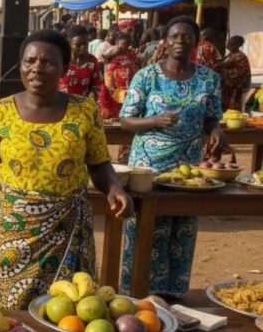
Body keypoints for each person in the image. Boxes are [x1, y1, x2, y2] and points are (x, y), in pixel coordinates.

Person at [0, 29, 131, 309]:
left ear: (64, 69)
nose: (37, 69)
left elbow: (99, 162)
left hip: (67, 231)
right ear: (20, 65)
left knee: (67, 312)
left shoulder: (84, 111)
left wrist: (114, 187)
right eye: (29, 61)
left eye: (48, 63)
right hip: (8, 234)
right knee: (5, 320)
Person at [119, 15, 224, 300]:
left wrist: (216, 132)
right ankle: (136, 292)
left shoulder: (209, 78)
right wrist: (153, 120)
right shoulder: (147, 76)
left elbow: (213, 118)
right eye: (174, 36)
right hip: (147, 168)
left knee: (182, 227)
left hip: (188, 168)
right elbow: (126, 121)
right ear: (164, 42)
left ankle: (174, 294)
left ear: (195, 41)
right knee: (146, 228)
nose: (180, 41)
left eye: (186, 36)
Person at [99, 32, 139, 121]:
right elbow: (108, 72)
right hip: (117, 91)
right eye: (123, 44)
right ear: (118, 43)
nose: (125, 46)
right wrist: (111, 89)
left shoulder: (132, 55)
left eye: (127, 44)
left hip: (131, 90)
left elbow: (137, 68)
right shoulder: (112, 52)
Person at [59, 26, 104, 99]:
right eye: (78, 45)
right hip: (61, 105)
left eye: (85, 44)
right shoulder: (61, 60)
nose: (83, 47)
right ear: (69, 44)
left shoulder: (92, 61)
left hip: (82, 105)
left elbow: (97, 84)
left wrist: (93, 93)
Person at [220, 36, 251, 111]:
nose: (227, 45)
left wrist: (223, 72)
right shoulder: (230, 55)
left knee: (233, 111)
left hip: (235, 89)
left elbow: (241, 73)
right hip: (227, 88)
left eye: (230, 43)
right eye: (227, 42)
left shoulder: (241, 57)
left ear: (237, 45)